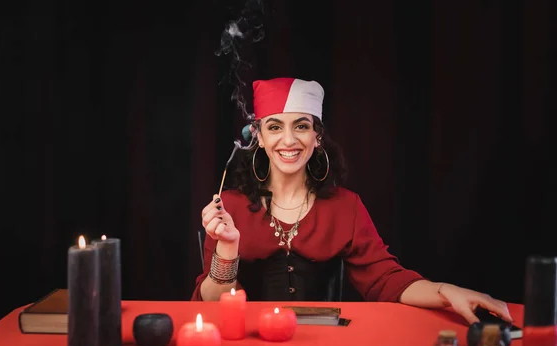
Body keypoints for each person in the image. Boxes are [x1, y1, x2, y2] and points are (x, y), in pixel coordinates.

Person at [192, 77, 512, 325]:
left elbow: (385, 280)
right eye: (275, 127)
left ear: (317, 137)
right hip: (248, 345)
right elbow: (211, 302)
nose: (288, 140)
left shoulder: (346, 207)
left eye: (301, 126)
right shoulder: (229, 207)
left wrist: (445, 291)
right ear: (259, 138)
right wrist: (228, 247)